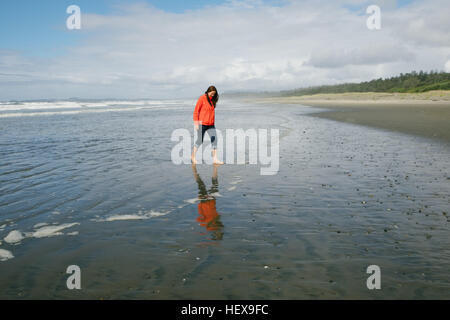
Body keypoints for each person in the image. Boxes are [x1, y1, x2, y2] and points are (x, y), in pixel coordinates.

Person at [191, 85, 224, 165]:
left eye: (214, 94)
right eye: (212, 93)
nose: (213, 95)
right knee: (199, 141)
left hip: (211, 124)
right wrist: (196, 123)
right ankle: (193, 156)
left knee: (214, 140)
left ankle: (215, 159)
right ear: (208, 91)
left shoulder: (212, 100)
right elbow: (196, 111)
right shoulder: (202, 98)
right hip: (202, 124)